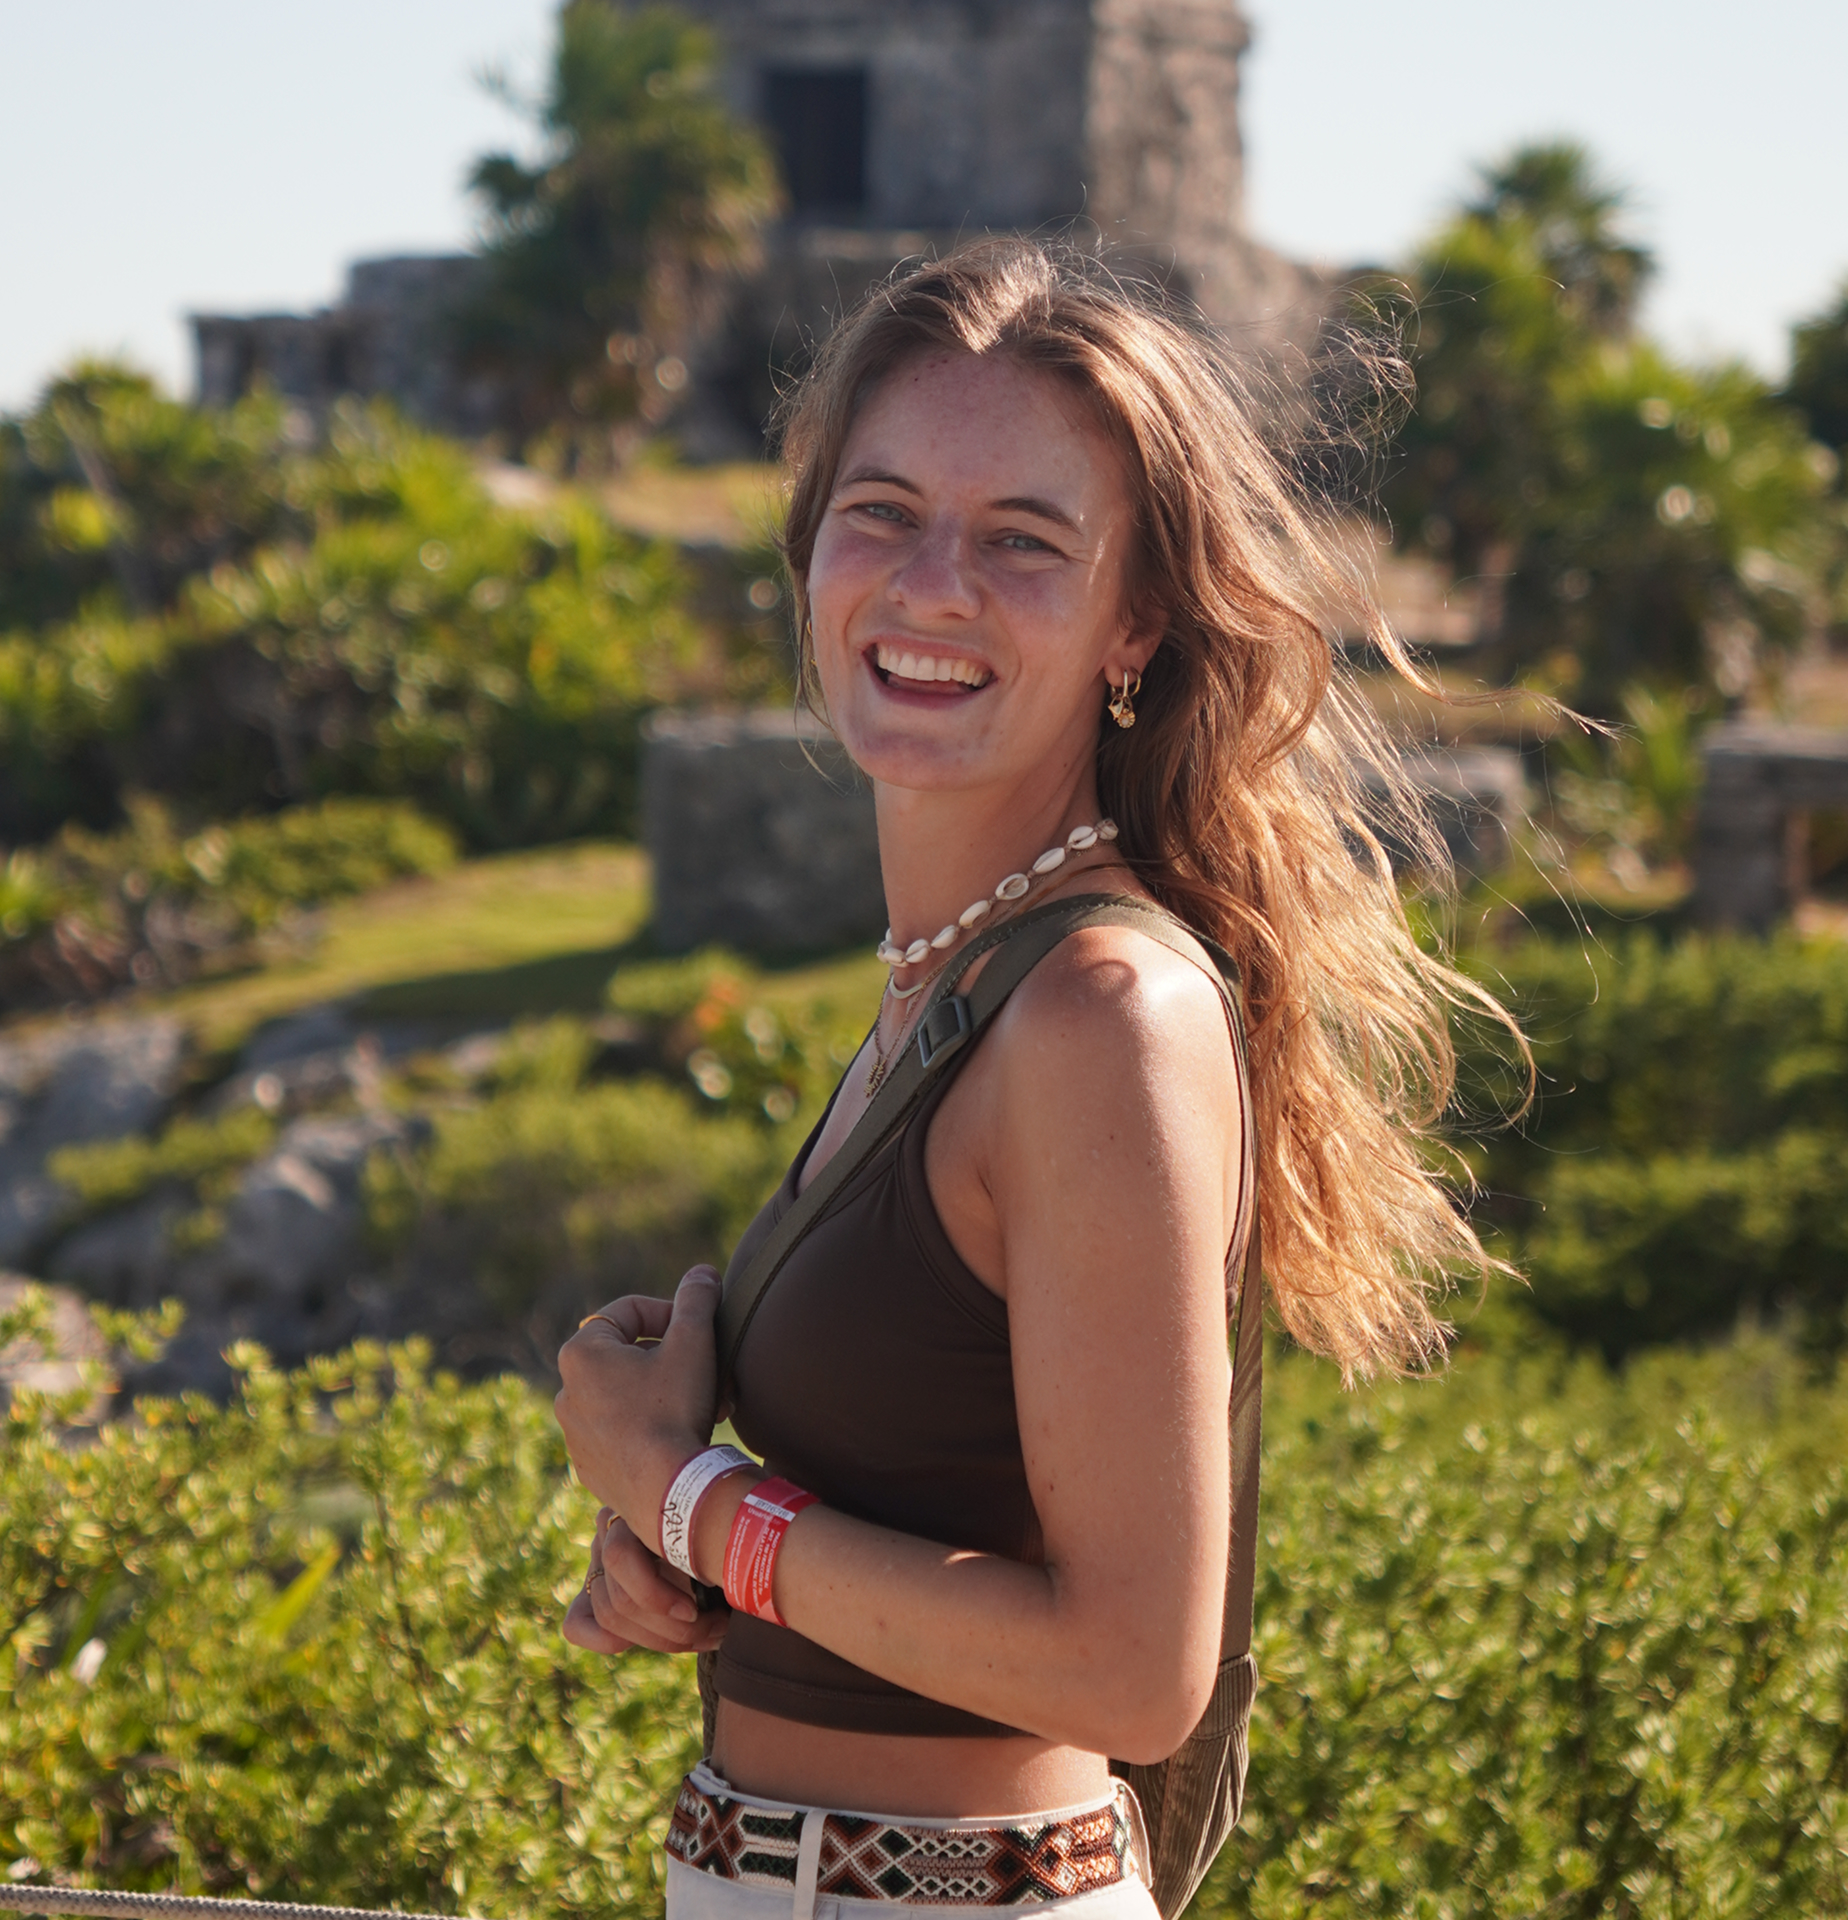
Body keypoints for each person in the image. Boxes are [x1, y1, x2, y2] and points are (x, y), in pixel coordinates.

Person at [553, 239, 1506, 1920]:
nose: (933, 585)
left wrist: (687, 1500)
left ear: (1135, 622)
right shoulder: (959, 981)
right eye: (881, 513)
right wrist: (695, 1555)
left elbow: (1135, 1670)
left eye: (1022, 541)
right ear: (808, 555)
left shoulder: (1097, 1011)